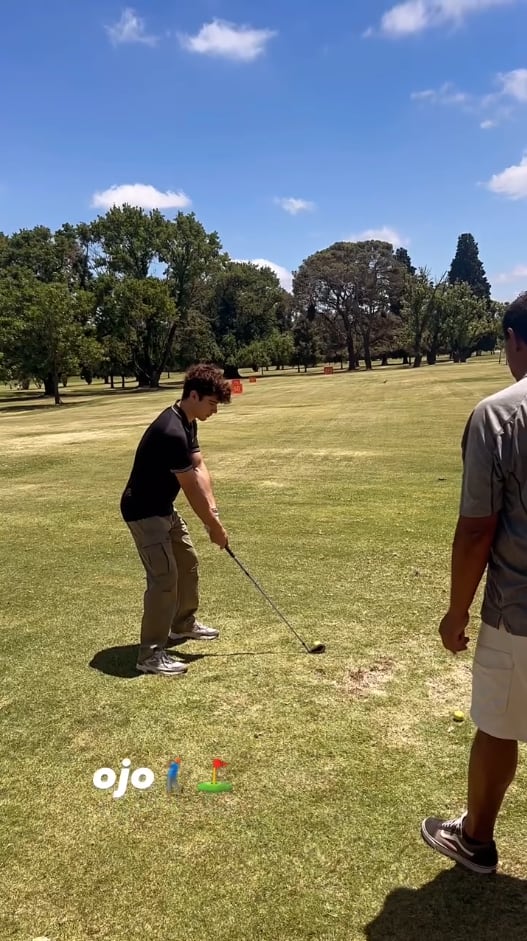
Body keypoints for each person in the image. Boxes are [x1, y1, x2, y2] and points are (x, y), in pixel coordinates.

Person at [421, 291, 527, 874]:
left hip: (518, 610)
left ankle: (476, 838)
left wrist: (456, 612)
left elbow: (478, 529)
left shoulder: (498, 414)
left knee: (498, 724)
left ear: (513, 340)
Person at [120, 364, 232, 677]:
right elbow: (190, 487)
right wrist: (213, 526)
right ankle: (151, 654)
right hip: (143, 512)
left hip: (162, 507)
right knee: (164, 578)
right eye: (211, 404)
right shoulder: (171, 431)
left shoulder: (188, 421)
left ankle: (182, 624)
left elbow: (199, 467)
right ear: (193, 395)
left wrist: (214, 511)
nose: (214, 411)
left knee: (188, 562)